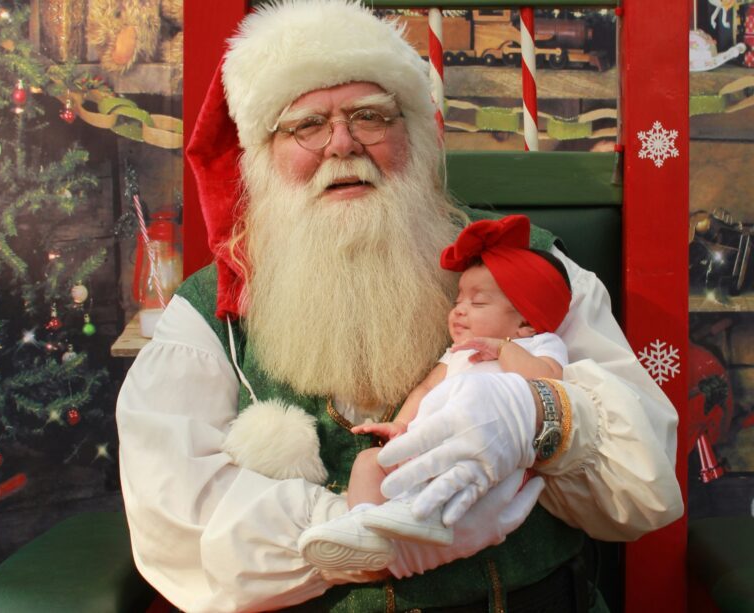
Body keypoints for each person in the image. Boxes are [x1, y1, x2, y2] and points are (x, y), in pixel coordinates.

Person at [116, 1, 684, 611]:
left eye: (370, 116)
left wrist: (542, 417)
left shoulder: (523, 264)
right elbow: (176, 523)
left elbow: (642, 485)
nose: (342, 144)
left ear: (411, 133)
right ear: (261, 156)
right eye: (306, 125)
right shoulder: (209, 311)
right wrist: (371, 537)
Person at [298, 214, 573, 569]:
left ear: (525, 322)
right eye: (458, 300)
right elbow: (428, 386)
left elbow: (550, 381)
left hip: (484, 452)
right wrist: (400, 427)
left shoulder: (540, 343)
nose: (459, 311)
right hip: (427, 443)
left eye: (477, 303)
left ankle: (421, 517)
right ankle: (364, 525)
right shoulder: (458, 351)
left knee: (447, 480)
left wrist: (503, 350)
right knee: (370, 462)